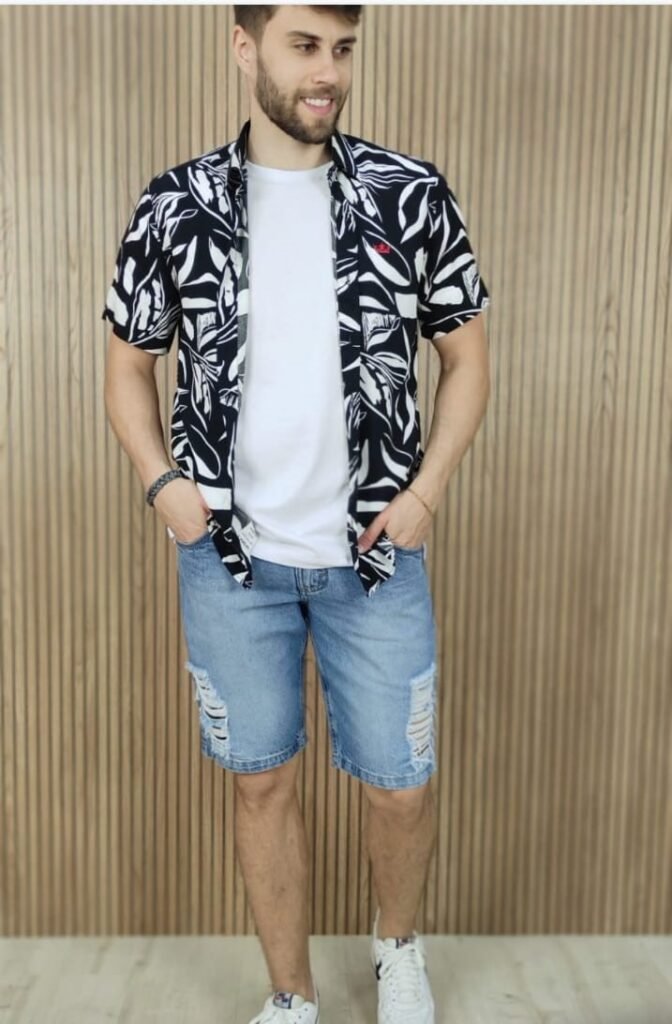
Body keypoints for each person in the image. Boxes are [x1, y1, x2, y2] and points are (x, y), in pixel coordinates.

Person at [102, 5, 491, 1023]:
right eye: (305, 46)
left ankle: (397, 952)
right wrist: (164, 486)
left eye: (343, 49)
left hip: (376, 557)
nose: (329, 73)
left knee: (400, 782)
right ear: (246, 48)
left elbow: (466, 357)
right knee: (260, 784)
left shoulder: (407, 193)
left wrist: (426, 491)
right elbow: (128, 366)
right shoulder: (176, 205)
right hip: (231, 563)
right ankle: (291, 995)